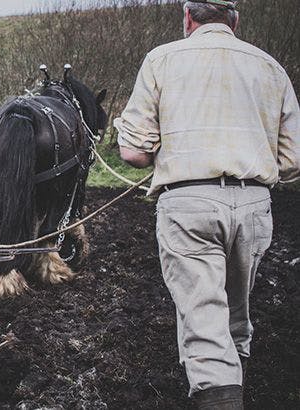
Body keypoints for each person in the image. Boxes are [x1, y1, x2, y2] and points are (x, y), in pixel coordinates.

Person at [114, 0, 299, 408]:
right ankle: (234, 382)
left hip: (188, 201)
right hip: (254, 201)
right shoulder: (269, 66)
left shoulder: (162, 59)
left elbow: (133, 154)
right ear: (235, 20)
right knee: (235, 309)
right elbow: (292, 159)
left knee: (203, 315)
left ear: (188, 18)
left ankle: (220, 396)